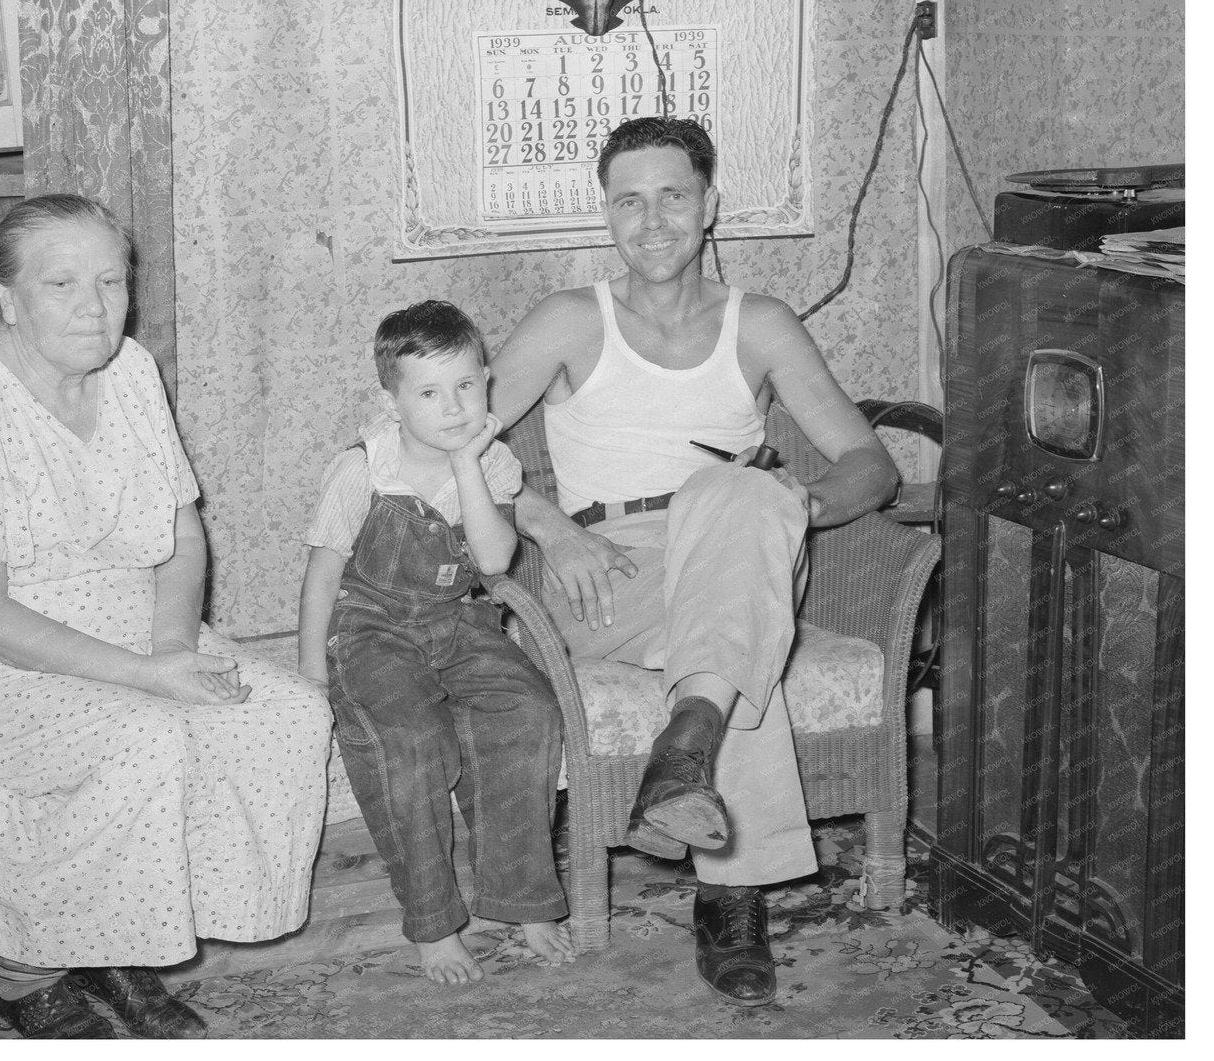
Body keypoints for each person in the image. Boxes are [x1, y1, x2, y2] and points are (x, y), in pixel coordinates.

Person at [0, 194, 332, 1039]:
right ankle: (26, 969)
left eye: (111, 280)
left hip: (133, 626)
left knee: (287, 717)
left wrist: (173, 646)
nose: (94, 306)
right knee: (148, 736)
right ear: (4, 296)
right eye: (61, 282)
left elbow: (182, 532)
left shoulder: (131, 369)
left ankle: (122, 941)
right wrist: (149, 679)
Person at [489, 118, 899, 1007]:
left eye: (673, 195)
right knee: (740, 623)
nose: (652, 220)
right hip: (609, 573)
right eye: (628, 201)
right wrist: (551, 527)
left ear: (710, 207)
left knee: (736, 497)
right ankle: (732, 891)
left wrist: (800, 505)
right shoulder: (569, 321)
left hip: (739, 546)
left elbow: (870, 464)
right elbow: (446, 441)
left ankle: (687, 750)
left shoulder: (760, 324)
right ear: (606, 216)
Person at [298, 300, 576, 985]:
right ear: (392, 402)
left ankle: (522, 898)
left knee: (527, 710)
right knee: (410, 740)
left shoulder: (497, 463)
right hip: (370, 625)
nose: (452, 407)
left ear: (487, 382)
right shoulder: (363, 469)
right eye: (428, 392)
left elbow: (491, 563)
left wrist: (468, 468)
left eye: (466, 386)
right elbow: (323, 573)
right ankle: (432, 922)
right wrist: (311, 676)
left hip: (458, 620)